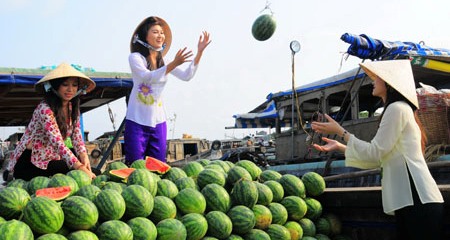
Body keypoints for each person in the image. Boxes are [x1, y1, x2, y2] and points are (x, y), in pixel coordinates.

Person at [311, 60, 444, 240]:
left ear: (389, 83)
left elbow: (375, 152)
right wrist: (341, 146)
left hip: (416, 197)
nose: (373, 81)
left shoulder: (396, 109)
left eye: (377, 78)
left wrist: (340, 132)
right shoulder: (399, 109)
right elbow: (378, 158)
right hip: (413, 199)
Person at [124, 16, 211, 165]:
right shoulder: (135, 58)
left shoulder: (165, 61)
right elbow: (147, 77)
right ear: (145, 35)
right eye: (155, 32)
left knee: (158, 166)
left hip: (159, 122)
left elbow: (187, 75)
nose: (160, 36)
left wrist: (199, 52)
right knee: (135, 166)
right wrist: (174, 64)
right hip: (136, 121)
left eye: (162, 33)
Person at [4, 63, 97, 181]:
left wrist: (84, 156)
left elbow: (77, 138)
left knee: (93, 171)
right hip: (30, 161)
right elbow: (58, 143)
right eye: (65, 85)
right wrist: (79, 166)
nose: (70, 89)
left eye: (74, 85)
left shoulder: (73, 108)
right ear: (55, 86)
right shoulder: (45, 109)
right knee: (77, 172)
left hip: (50, 157)